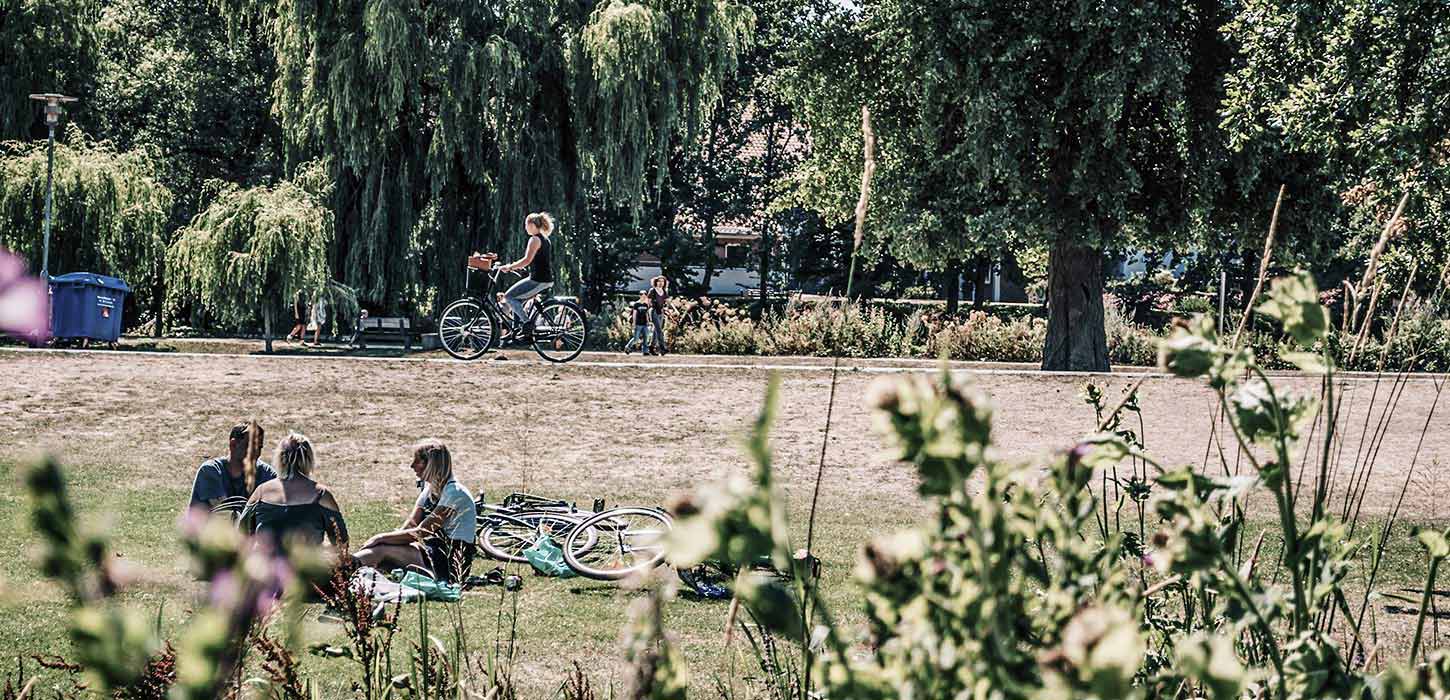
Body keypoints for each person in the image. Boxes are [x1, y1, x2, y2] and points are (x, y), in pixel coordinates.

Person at [353, 440, 478, 583]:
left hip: (450, 564)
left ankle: (339, 571)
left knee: (381, 551)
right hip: (431, 553)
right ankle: (342, 568)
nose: (412, 466)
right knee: (383, 549)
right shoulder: (430, 488)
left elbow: (422, 532)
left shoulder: (455, 493)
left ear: (432, 464)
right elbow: (409, 526)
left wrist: (380, 538)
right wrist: (389, 542)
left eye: (417, 461)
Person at [241, 432, 348, 555]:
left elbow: (241, 534)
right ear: (309, 459)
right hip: (305, 569)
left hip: (266, 569)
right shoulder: (322, 495)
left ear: (280, 458)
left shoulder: (261, 492)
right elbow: (342, 544)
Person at [187, 423, 278, 513]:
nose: (256, 453)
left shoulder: (267, 474)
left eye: (259, 447)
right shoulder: (211, 471)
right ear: (233, 444)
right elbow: (226, 516)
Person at [496, 212, 555, 341]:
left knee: (509, 296)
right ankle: (516, 331)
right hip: (543, 278)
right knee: (517, 301)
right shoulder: (545, 239)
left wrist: (509, 267)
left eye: (526, 225)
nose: (525, 228)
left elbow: (527, 259)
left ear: (532, 225)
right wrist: (521, 268)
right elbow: (538, 260)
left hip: (538, 280)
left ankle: (527, 325)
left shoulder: (534, 239)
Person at [647, 275, 670, 355]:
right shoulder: (652, 290)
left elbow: (668, 301)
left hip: (661, 311)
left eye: (662, 281)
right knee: (659, 330)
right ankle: (662, 348)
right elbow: (649, 302)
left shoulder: (664, 291)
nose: (661, 283)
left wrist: (674, 310)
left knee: (656, 331)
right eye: (659, 281)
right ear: (656, 282)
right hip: (653, 311)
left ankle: (651, 347)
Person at [624, 290, 653, 355]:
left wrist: (648, 321)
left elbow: (646, 313)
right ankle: (628, 347)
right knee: (636, 338)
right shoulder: (636, 304)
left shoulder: (646, 304)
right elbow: (634, 314)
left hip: (645, 324)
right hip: (638, 324)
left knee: (646, 337)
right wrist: (634, 323)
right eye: (642, 295)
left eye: (645, 295)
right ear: (640, 296)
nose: (644, 296)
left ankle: (645, 351)